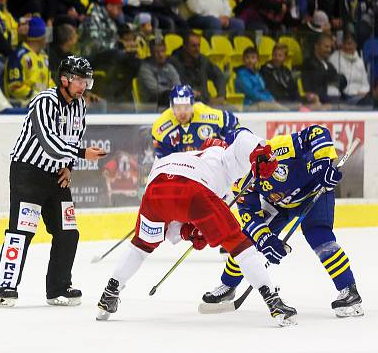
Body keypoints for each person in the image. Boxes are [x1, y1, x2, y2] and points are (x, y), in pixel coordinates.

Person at [96, 132, 298, 326]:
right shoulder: (221, 154)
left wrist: (187, 231)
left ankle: (109, 293)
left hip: (155, 189)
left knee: (140, 247)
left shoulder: (182, 155)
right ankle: (273, 301)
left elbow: (171, 218)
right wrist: (261, 151)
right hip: (194, 190)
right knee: (240, 246)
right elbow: (244, 137)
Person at [201, 125, 363, 318]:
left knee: (319, 236)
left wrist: (323, 163)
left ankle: (349, 290)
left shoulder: (278, 147)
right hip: (279, 203)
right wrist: (266, 239)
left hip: (314, 192)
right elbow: (250, 215)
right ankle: (228, 285)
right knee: (246, 242)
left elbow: (317, 132)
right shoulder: (238, 180)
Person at [0, 56, 107, 308]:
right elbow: (49, 142)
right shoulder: (43, 102)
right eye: (79, 80)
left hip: (57, 176)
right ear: (64, 79)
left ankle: (58, 288)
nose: (84, 86)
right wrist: (80, 154)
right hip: (29, 174)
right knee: (22, 232)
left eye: (87, 81)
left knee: (68, 233)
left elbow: (73, 137)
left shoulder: (80, 106)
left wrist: (69, 166)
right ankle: (4, 286)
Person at [151, 85, 239, 159]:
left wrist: (234, 146)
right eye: (178, 108)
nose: (182, 113)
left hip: (208, 168)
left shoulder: (205, 115)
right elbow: (164, 161)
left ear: (193, 105)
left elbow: (231, 121)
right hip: (179, 172)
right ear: (172, 108)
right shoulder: (161, 127)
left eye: (186, 107)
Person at [3, 17, 54, 106]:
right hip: (24, 106)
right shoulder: (19, 56)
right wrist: (36, 95)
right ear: (39, 37)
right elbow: (14, 87)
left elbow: (49, 81)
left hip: (43, 104)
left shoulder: (43, 56)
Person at [168, 32, 227, 104]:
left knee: (233, 110)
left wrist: (221, 95)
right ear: (185, 46)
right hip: (184, 105)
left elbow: (219, 76)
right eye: (193, 46)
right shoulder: (173, 63)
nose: (197, 49)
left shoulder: (203, 61)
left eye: (199, 45)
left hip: (205, 103)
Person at [301, 33, 344, 104]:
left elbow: (341, 80)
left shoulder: (329, 65)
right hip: (318, 102)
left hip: (336, 99)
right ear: (316, 46)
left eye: (330, 47)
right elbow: (316, 84)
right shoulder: (308, 63)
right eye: (326, 47)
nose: (329, 50)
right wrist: (331, 78)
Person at [137, 39, 181, 107]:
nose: (161, 55)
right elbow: (154, 89)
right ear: (151, 53)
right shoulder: (145, 68)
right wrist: (173, 91)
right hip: (151, 102)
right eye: (157, 52)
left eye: (163, 51)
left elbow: (178, 84)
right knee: (168, 95)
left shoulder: (169, 67)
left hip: (170, 98)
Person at [330, 32, 370, 101]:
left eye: (350, 44)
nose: (347, 46)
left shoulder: (359, 61)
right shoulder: (334, 58)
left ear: (355, 45)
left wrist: (363, 92)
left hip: (362, 95)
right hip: (345, 96)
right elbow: (335, 83)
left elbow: (365, 83)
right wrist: (355, 93)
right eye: (344, 43)